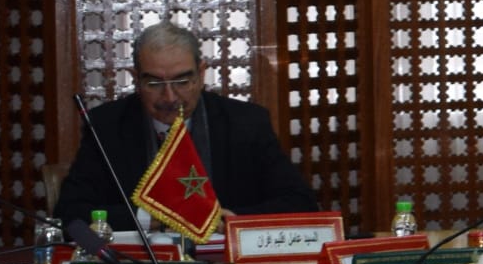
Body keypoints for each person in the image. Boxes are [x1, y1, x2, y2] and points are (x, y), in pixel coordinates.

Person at [56, 21, 317, 233]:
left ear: (201, 74)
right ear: (136, 79)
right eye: (154, 83)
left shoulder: (245, 122)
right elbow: (69, 213)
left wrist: (232, 221)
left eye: (182, 81)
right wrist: (149, 218)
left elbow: (301, 203)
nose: (170, 97)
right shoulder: (107, 126)